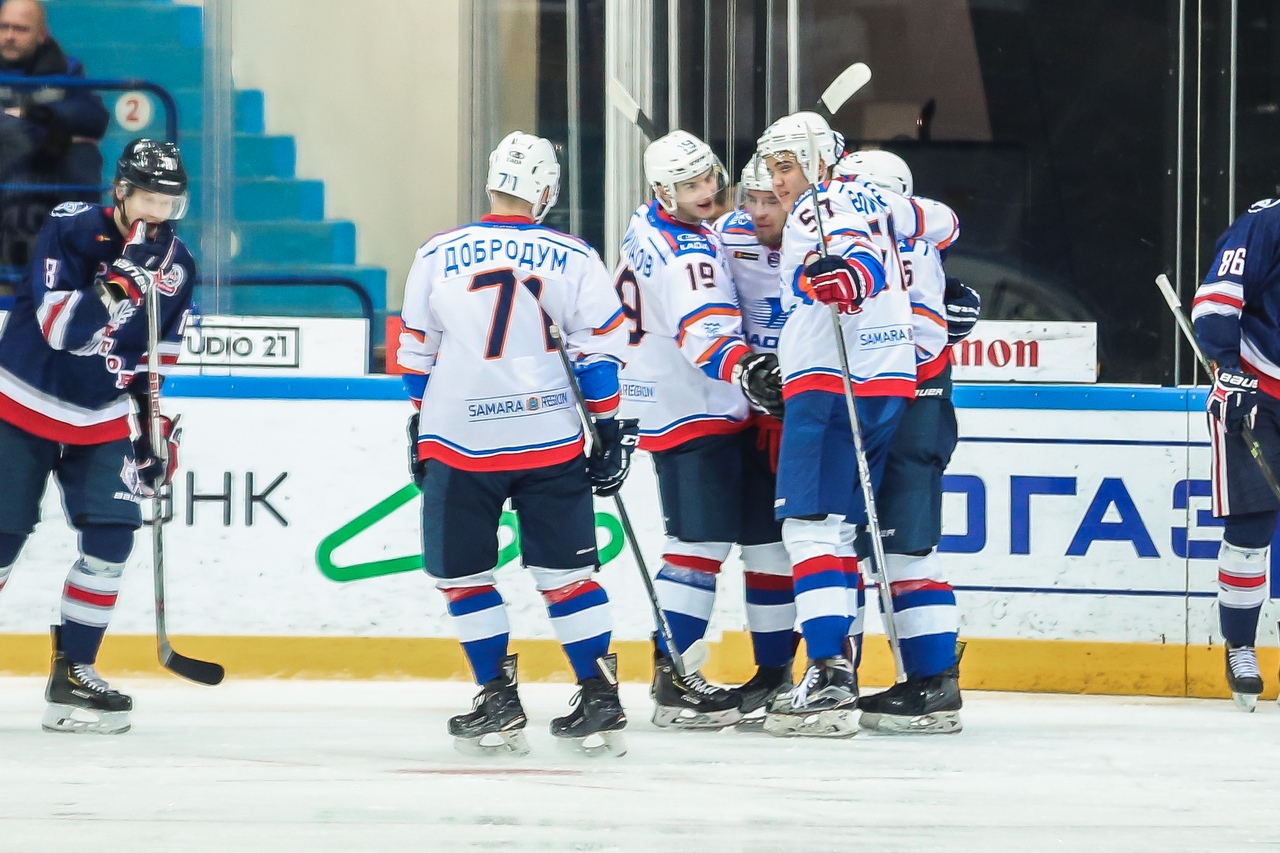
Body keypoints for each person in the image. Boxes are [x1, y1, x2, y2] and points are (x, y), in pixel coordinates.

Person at [398, 131, 636, 756]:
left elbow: (415, 354)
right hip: (548, 436)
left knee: (463, 576)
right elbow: (598, 354)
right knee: (568, 575)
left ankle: (498, 698)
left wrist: (419, 423)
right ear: (547, 191)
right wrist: (609, 427)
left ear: (491, 181)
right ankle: (599, 693)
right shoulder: (574, 255)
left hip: (459, 437)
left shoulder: (437, 252)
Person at [0, 137, 194, 734]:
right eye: (148, 198)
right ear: (121, 191)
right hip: (21, 405)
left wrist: (153, 431)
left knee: (111, 538)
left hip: (101, 416)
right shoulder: (71, 228)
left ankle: (73, 676)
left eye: (169, 202)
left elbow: (154, 362)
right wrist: (126, 279)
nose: (157, 213)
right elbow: (61, 330)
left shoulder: (178, 265)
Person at [614, 130, 782, 731]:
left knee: (766, 543)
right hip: (697, 409)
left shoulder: (646, 222)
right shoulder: (690, 256)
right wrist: (749, 369)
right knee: (699, 548)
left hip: (675, 403)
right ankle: (675, 681)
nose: (707, 191)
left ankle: (771, 677)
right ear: (665, 190)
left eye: (709, 176)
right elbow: (705, 331)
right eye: (690, 186)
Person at [755, 111, 914, 738]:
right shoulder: (876, 197)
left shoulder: (819, 204)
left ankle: (826, 675)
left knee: (810, 528)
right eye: (772, 168)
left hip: (832, 382)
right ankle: (840, 670)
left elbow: (854, 255)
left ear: (819, 160)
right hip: (888, 376)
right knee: (841, 532)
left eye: (787, 165)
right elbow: (942, 224)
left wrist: (848, 278)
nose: (778, 180)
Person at [834, 149, 980, 733]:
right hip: (918, 403)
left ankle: (897, 681)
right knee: (898, 552)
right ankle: (928, 679)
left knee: (857, 548)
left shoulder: (875, 237)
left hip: (891, 403)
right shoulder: (921, 240)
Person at [711, 155, 797, 717]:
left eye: (773, 201)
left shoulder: (828, 233)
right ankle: (772, 672)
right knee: (764, 547)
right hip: (753, 415)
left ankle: (836, 672)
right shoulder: (725, 235)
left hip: (819, 412)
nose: (760, 213)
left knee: (829, 545)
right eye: (752, 200)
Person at [1191, 196, 1280, 712]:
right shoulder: (1267, 222)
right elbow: (1217, 300)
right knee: (1253, 523)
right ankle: (1241, 647)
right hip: (1257, 390)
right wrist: (1226, 368)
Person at [0, 0, 109, 270]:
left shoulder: (66, 69)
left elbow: (93, 117)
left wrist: (30, 113)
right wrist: (60, 133)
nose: (9, 36)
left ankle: (80, 261)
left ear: (41, 35)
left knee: (83, 154)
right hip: (10, 181)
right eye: (3, 27)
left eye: (20, 29)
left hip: (50, 177)